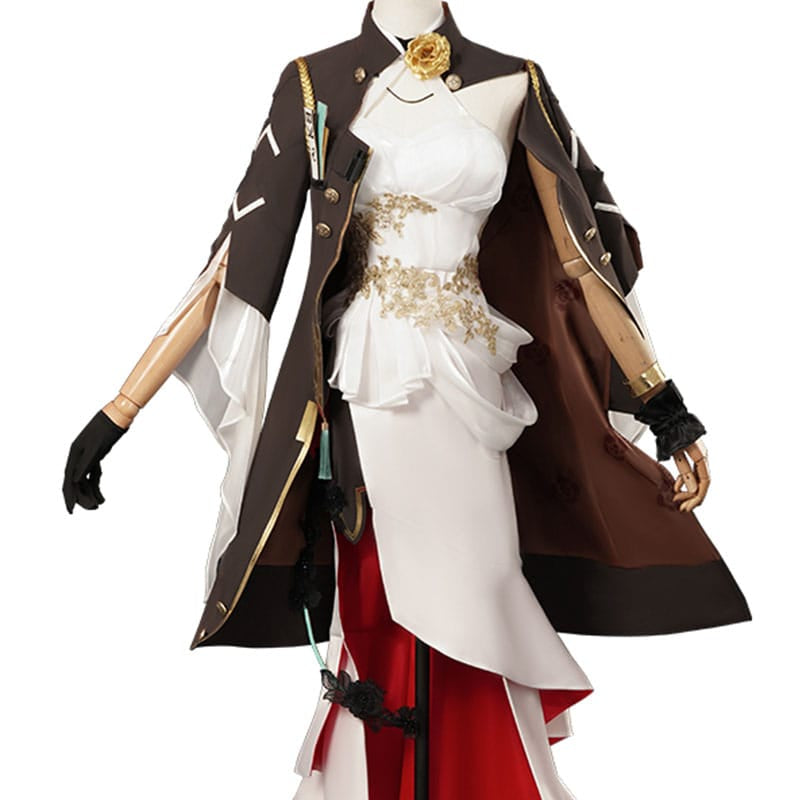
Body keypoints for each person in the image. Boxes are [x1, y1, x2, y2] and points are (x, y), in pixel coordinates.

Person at [63, 3, 751, 798]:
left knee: (484, 582)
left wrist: (664, 404)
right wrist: (118, 411)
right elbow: (234, 261)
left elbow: (583, 260)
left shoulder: (515, 81)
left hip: (474, 380)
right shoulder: (315, 82)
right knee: (384, 594)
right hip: (371, 378)